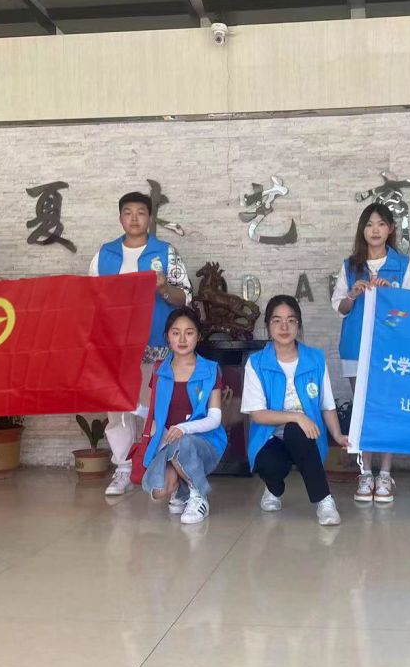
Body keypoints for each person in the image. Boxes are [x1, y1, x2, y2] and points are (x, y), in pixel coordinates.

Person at [89, 191, 193, 496]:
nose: (134, 218)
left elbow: (185, 297)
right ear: (120, 217)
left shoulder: (166, 253)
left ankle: (156, 466)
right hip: (116, 346)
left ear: (150, 218)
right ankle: (123, 467)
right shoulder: (105, 254)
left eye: (141, 213)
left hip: (155, 341)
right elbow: (90, 299)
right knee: (118, 408)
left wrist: (163, 288)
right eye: (128, 212)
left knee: (155, 406)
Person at [331, 203, 410, 505]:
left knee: (387, 408)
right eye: (369, 224)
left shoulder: (402, 265)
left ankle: (385, 473)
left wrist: (391, 292)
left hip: (389, 350)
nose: (375, 230)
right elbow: (340, 308)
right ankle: (365, 472)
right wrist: (353, 294)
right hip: (355, 346)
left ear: (390, 229)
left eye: (381, 224)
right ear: (362, 230)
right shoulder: (349, 266)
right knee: (362, 409)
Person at [242, 295, 349, 526]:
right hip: (269, 438)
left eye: (291, 320)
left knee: (295, 430)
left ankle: (324, 501)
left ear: (298, 325)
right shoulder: (256, 363)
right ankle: (273, 488)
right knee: (270, 463)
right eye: (277, 321)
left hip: (306, 437)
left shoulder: (315, 359)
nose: (284, 327)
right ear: (268, 326)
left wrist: (338, 435)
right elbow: (257, 414)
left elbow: (327, 404)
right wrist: (297, 416)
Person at [139, 308, 227, 525]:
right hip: (169, 443)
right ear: (167, 336)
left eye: (189, 333)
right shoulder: (159, 371)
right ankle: (182, 490)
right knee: (158, 490)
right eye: (175, 333)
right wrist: (131, 407)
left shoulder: (210, 370)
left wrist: (184, 428)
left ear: (198, 336)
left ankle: (199, 496)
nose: (182, 339)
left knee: (184, 443)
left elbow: (215, 418)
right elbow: (153, 415)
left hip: (204, 442)